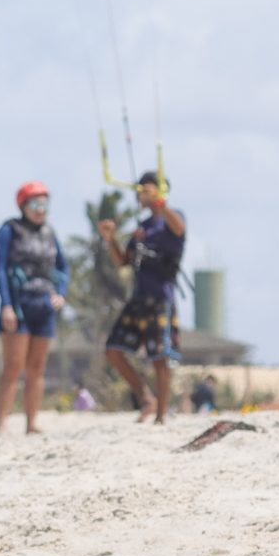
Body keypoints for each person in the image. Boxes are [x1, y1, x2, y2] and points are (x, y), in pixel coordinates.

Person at [98, 173, 188, 424]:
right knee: (113, 350)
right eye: (141, 191)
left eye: (148, 190)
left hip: (161, 298)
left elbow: (179, 228)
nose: (142, 195)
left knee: (161, 357)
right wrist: (110, 239)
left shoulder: (173, 218)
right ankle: (147, 398)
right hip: (138, 298)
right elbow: (122, 261)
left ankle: (161, 416)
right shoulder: (143, 228)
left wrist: (162, 204)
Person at [0, 181, 68, 435]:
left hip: (44, 305)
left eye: (45, 204)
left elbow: (63, 267)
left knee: (37, 368)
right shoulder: (9, 231)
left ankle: (31, 422)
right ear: (23, 205)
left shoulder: (50, 233)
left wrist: (62, 294)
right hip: (18, 306)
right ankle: (2, 422)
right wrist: (6, 305)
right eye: (35, 204)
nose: (41, 209)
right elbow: (0, 268)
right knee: (14, 365)